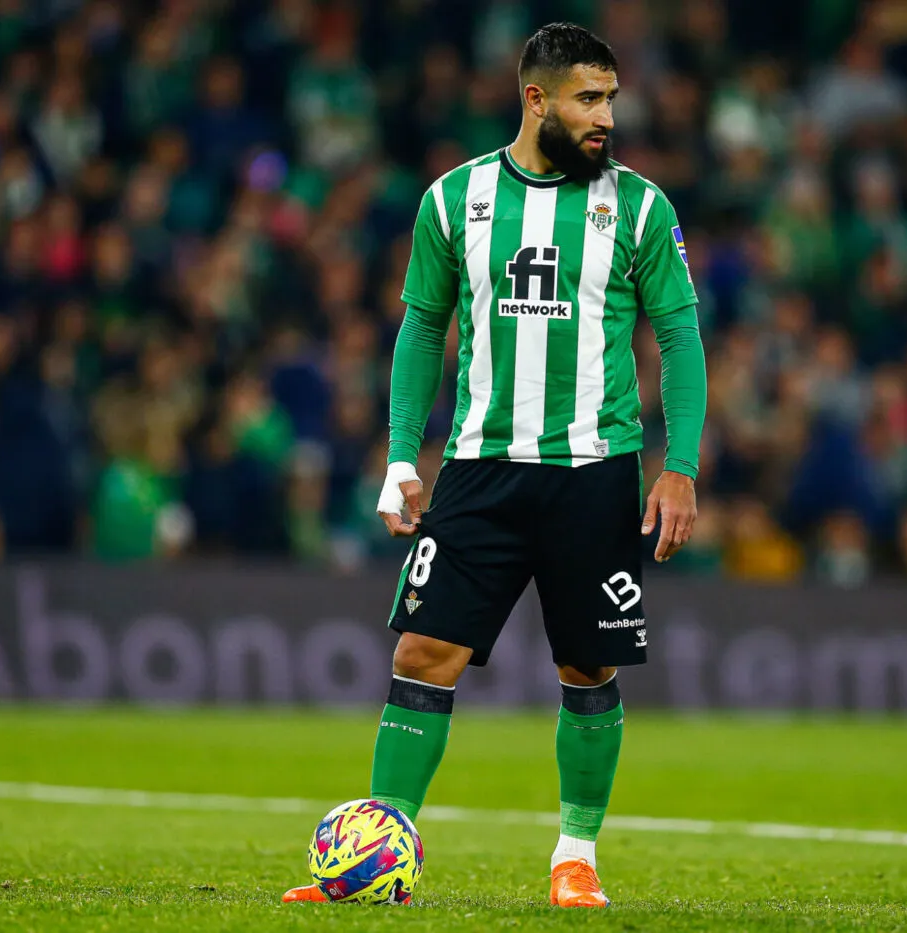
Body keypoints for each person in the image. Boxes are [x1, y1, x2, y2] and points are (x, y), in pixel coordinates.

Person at [281, 23, 706, 909]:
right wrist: (402, 455)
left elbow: (679, 336)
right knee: (423, 648)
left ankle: (575, 856)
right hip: (479, 467)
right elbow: (421, 329)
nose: (606, 118)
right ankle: (378, 851)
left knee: (587, 668)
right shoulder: (452, 201)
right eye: (590, 99)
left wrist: (681, 465)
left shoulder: (639, 207)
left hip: (596, 471)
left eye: (612, 101)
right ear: (536, 99)